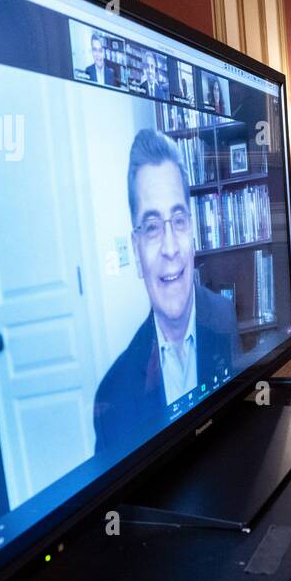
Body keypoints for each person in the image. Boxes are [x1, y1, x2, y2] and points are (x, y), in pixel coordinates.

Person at [93, 130, 237, 457]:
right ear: (136, 249)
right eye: (153, 227)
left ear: (193, 233)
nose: (170, 248)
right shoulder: (112, 396)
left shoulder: (226, 318)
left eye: (179, 220)